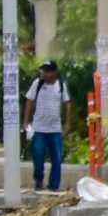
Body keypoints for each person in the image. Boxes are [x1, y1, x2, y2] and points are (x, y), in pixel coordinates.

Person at [23, 58, 69, 192]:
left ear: (55, 72)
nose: (45, 74)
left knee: (56, 158)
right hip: (39, 128)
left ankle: (54, 186)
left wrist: (67, 123)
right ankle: (38, 178)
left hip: (55, 129)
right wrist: (26, 122)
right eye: (44, 71)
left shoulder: (61, 85)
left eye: (48, 71)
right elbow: (29, 102)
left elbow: (67, 103)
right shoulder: (37, 84)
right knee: (37, 155)